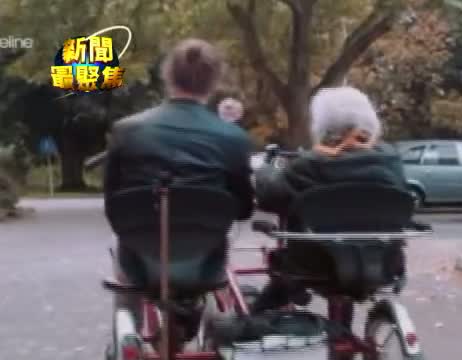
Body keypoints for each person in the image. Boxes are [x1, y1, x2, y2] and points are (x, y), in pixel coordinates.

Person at [103, 38, 255, 342]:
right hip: (205, 259)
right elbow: (243, 208)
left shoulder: (126, 130)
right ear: (214, 80)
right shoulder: (233, 138)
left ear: (167, 74)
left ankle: (127, 334)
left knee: (124, 252)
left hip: (141, 255)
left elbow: (113, 201)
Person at [252, 86, 408, 315]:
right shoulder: (391, 161)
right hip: (383, 262)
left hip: (314, 265)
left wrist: (265, 170)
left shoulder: (310, 165)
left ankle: (258, 316)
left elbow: (269, 197)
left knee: (283, 270)